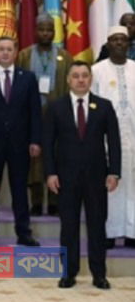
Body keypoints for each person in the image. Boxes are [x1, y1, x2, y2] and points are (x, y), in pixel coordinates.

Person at [44, 61, 121, 290]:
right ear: (68, 80)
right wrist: (50, 173)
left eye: (84, 75)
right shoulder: (56, 107)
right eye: (76, 76)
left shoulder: (104, 106)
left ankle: (99, 274)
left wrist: (114, 172)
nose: (80, 80)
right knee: (68, 226)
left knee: (97, 226)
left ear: (90, 79)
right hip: (65, 177)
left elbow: (114, 142)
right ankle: (68, 273)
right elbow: (48, 144)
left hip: (97, 177)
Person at [0, 36, 42, 246]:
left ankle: (23, 232)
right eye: (1, 49)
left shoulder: (27, 78)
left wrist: (35, 140)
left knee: (20, 190)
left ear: (15, 52)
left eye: (9, 49)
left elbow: (35, 112)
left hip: (20, 144)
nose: (5, 53)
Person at [17, 15, 69, 217]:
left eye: (49, 30)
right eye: (42, 29)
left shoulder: (65, 57)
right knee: (34, 159)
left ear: (54, 33)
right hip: (31, 115)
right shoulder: (24, 55)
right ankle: (36, 202)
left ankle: (55, 201)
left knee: (56, 155)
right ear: (35, 31)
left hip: (57, 115)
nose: (45, 33)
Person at [92, 26, 135, 248]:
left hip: (133, 136)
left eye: (123, 40)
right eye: (114, 40)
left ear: (128, 44)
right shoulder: (96, 71)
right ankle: (108, 232)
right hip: (106, 138)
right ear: (108, 44)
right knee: (108, 185)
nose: (119, 43)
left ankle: (132, 231)